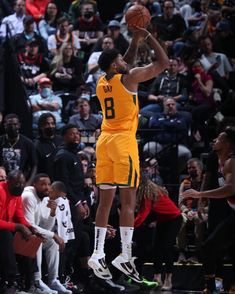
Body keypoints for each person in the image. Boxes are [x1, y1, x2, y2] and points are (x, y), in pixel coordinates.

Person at [87, 26, 169, 282]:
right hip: (123, 142)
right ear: (114, 65)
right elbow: (164, 62)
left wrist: (133, 41)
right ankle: (124, 254)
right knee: (129, 203)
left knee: (104, 203)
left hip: (104, 142)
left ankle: (97, 253)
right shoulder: (131, 77)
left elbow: (125, 62)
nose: (125, 60)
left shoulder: (103, 82)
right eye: (120, 60)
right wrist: (148, 36)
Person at [182, 127, 235, 293]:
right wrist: (203, 199)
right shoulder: (218, 160)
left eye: (219, 139)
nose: (214, 141)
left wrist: (200, 194)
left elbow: (230, 189)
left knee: (211, 245)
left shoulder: (231, 162)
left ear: (227, 144)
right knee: (209, 246)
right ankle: (211, 286)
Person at [22, 173, 71, 294]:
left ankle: (53, 280)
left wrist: (53, 212)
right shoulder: (28, 196)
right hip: (22, 235)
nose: (47, 187)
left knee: (52, 242)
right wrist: (53, 235)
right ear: (34, 184)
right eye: (43, 184)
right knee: (38, 238)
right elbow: (30, 225)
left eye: (49, 184)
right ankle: (37, 281)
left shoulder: (45, 198)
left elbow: (46, 227)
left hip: (34, 233)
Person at [0, 170, 33, 294]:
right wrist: (18, 227)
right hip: (3, 231)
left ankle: (30, 282)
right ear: (7, 182)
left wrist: (29, 228)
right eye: (16, 184)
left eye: (22, 184)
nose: (20, 187)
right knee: (6, 235)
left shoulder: (17, 194)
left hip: (7, 228)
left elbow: (20, 216)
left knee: (30, 237)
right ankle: (11, 281)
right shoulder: (1, 191)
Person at [177, 158, 208, 264]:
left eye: (193, 167)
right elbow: (180, 202)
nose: (191, 170)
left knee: (199, 220)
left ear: (200, 168)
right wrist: (186, 211)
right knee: (180, 219)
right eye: (189, 168)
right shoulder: (185, 183)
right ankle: (181, 252)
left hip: (203, 211)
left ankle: (196, 253)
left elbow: (212, 201)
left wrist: (202, 211)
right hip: (188, 212)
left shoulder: (207, 182)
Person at [0, 113, 37, 185]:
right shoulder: (1, 141)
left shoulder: (28, 143)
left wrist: (28, 183)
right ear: (4, 125)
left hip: (20, 182)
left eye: (15, 124)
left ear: (19, 125)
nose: (12, 127)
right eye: (9, 125)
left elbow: (34, 165)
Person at [34, 112, 63, 179]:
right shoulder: (37, 145)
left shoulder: (61, 140)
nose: (50, 126)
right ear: (41, 126)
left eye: (52, 123)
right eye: (47, 124)